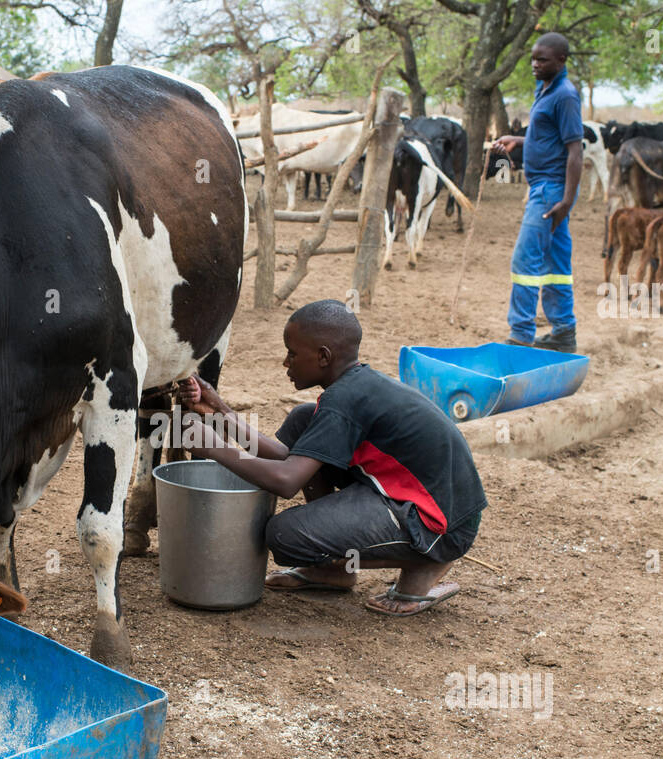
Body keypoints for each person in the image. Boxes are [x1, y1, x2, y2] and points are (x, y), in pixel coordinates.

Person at [177, 299, 486, 617]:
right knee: (302, 419)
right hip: (429, 501)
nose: (286, 363)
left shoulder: (344, 400)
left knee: (285, 535)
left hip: (441, 525)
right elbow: (291, 459)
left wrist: (214, 449)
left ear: (323, 356)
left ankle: (424, 562)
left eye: (292, 354)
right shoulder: (353, 389)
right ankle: (335, 570)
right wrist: (222, 413)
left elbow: (286, 481)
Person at [490, 32, 583, 353]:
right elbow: (549, 138)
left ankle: (521, 334)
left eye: (542, 59)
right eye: (533, 58)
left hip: (551, 190)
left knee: (525, 260)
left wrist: (566, 200)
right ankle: (563, 332)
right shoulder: (544, 89)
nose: (535, 64)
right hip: (545, 186)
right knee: (556, 262)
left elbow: (575, 151)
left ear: (561, 60)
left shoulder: (565, 96)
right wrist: (519, 141)